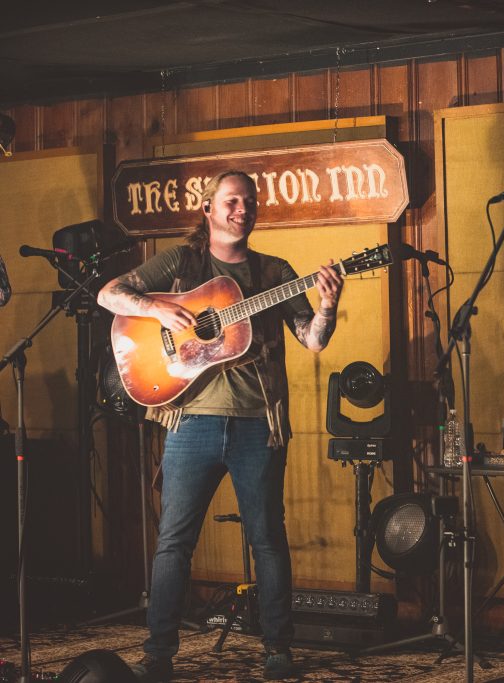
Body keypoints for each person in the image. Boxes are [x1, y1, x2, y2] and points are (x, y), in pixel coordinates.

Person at [97, 170, 344, 682]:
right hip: (191, 424)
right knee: (174, 542)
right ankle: (158, 655)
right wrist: (158, 311)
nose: (242, 209)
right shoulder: (184, 262)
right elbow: (109, 295)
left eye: (250, 202)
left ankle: (279, 649)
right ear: (208, 209)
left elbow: (313, 340)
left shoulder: (276, 271)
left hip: (259, 426)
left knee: (268, 539)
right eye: (232, 201)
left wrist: (327, 305)